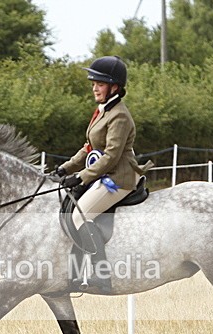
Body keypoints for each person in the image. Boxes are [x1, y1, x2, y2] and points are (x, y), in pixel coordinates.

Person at [50, 55, 142, 292]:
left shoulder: (119, 115)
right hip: (102, 175)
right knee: (70, 209)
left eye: (99, 83)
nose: (94, 87)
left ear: (114, 87)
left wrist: (80, 177)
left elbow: (111, 156)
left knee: (80, 215)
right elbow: (89, 148)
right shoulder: (102, 111)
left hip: (118, 178)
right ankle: (73, 274)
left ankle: (102, 277)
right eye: (93, 83)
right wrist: (65, 167)